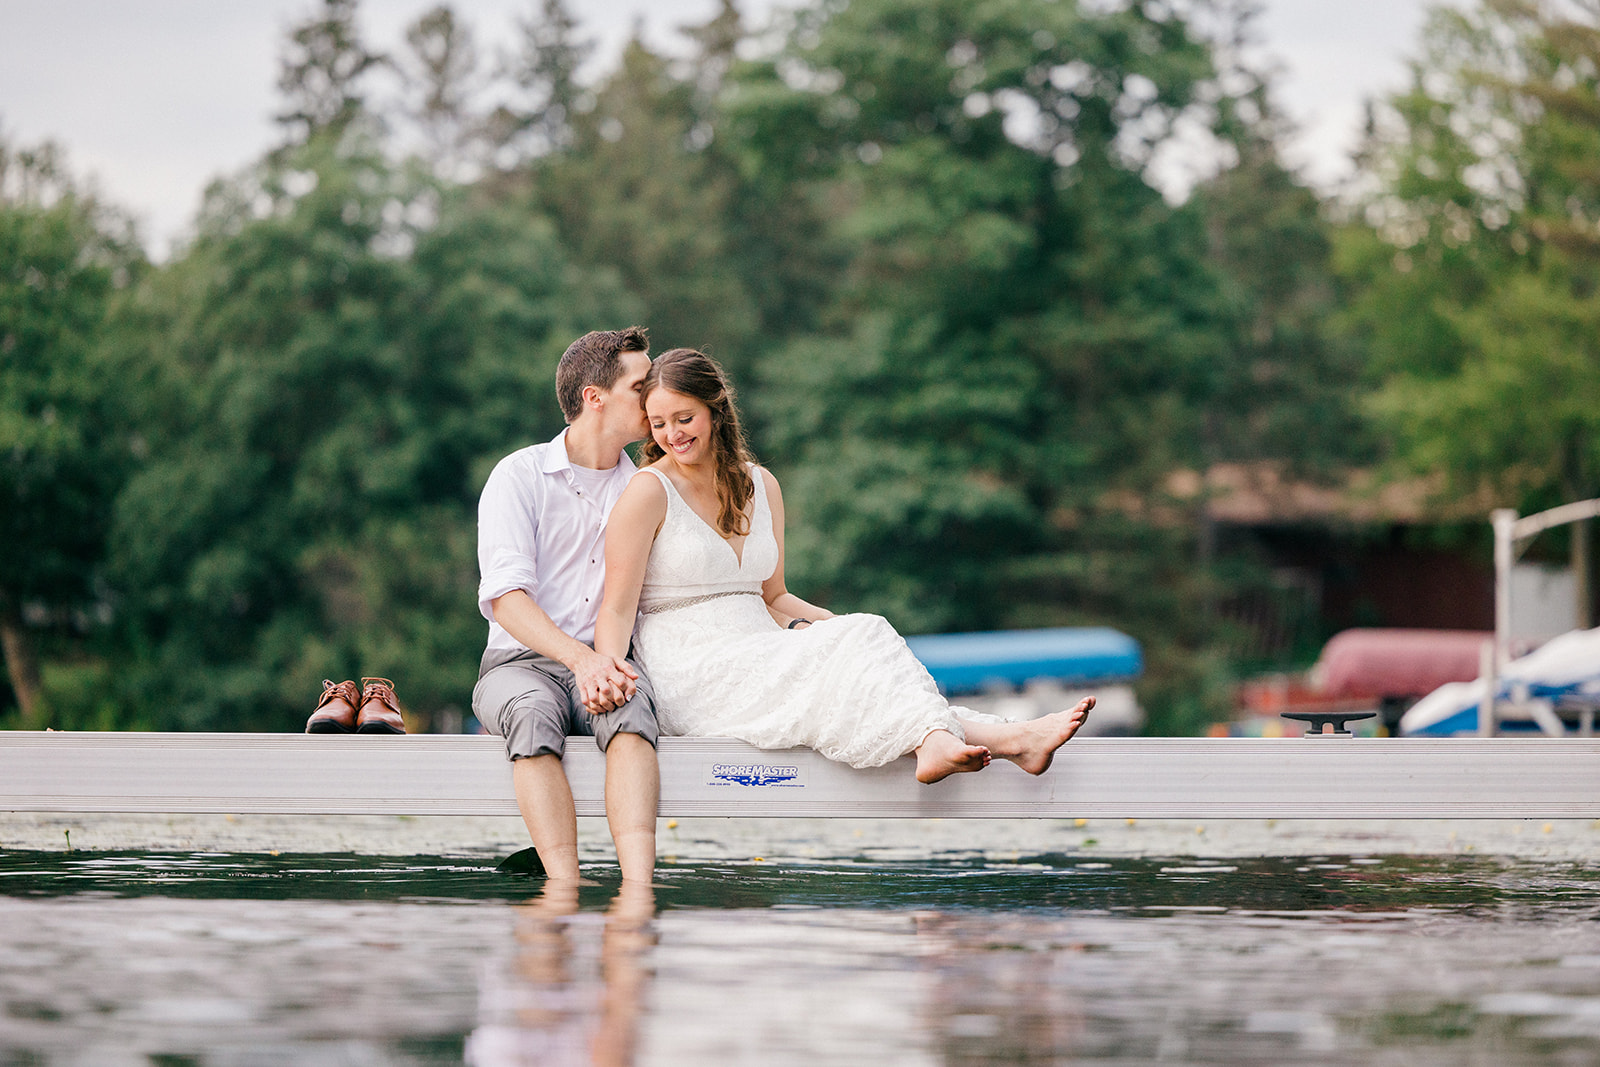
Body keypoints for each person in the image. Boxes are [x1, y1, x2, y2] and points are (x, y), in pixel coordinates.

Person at [594, 348, 1093, 784]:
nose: (671, 436)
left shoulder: (760, 485)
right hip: (692, 669)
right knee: (861, 649)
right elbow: (616, 609)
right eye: (658, 424)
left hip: (760, 648)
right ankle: (998, 739)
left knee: (865, 639)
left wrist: (841, 632)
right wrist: (608, 676)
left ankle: (994, 740)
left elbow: (774, 597)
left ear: (716, 410)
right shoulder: (648, 491)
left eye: (684, 418)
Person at [472, 327, 661, 883]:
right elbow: (506, 599)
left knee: (632, 711)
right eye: (640, 386)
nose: (655, 398)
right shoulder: (519, 475)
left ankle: (638, 889)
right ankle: (564, 886)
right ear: (594, 397)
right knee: (530, 714)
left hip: (610, 658)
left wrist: (605, 663)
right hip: (518, 664)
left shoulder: (648, 486)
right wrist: (582, 662)